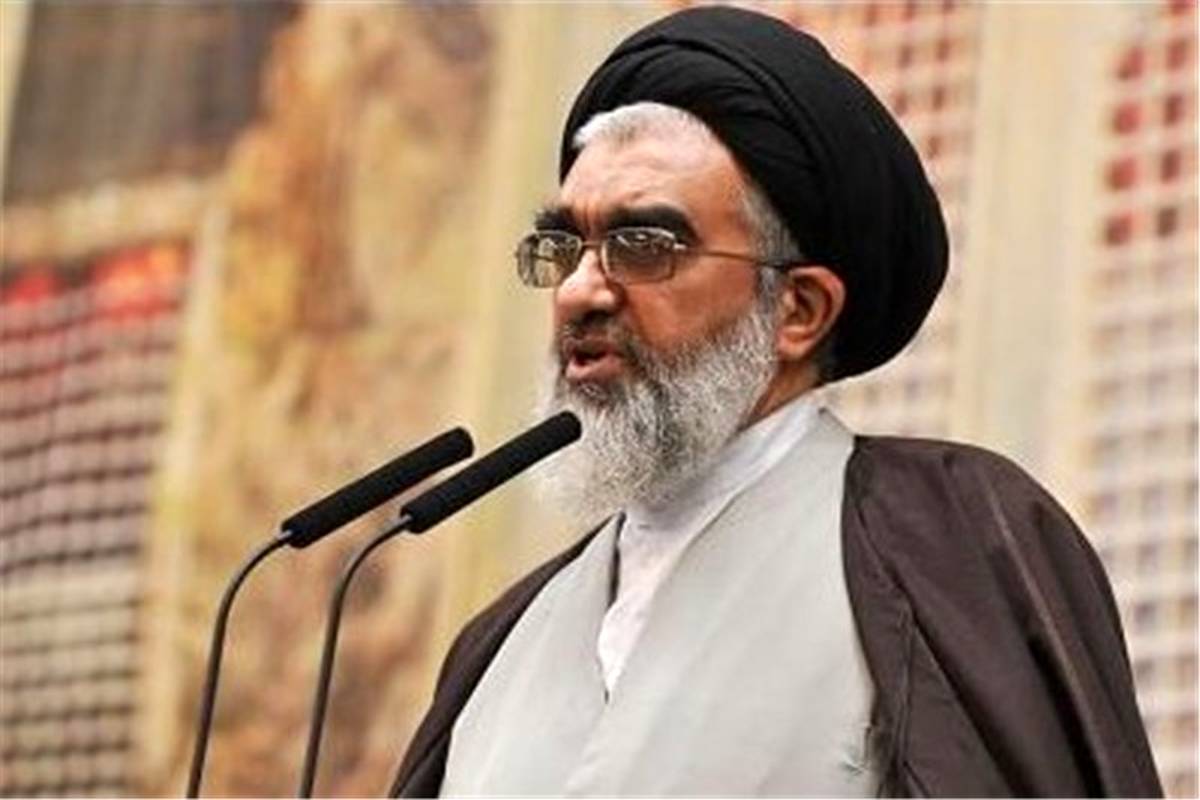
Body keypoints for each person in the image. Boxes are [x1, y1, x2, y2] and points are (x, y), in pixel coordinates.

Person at [390, 7, 1161, 797]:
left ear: (798, 311)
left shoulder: (952, 544)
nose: (580, 292)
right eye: (565, 248)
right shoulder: (498, 646)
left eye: (643, 246)